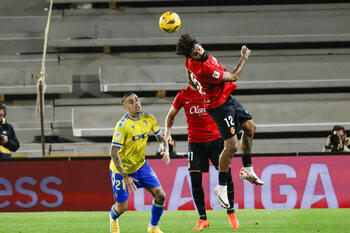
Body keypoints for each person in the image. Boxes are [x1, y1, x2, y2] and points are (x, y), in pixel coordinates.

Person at [176, 34, 263, 209]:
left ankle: (247, 168)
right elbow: (233, 77)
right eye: (194, 52)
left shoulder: (191, 61)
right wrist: (244, 57)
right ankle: (222, 187)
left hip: (226, 98)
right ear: (191, 56)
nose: (198, 51)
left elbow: (189, 79)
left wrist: (199, 87)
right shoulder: (204, 69)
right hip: (219, 106)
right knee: (231, 147)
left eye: (197, 47)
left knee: (250, 127)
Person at [165, 84, 239, 230]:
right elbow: (170, 115)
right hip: (195, 143)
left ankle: (231, 213)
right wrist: (167, 131)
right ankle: (202, 219)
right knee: (195, 180)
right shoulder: (183, 95)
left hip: (216, 139)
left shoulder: (210, 91)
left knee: (227, 174)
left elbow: (227, 107)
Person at [109, 92, 170, 233]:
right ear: (125, 107)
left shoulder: (149, 119)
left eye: (137, 100)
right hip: (121, 171)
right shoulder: (122, 126)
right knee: (122, 208)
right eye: (131, 102)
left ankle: (153, 227)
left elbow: (161, 138)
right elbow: (113, 152)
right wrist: (125, 176)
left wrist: (164, 148)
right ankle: (113, 218)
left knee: (161, 195)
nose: (136, 103)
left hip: (141, 166)